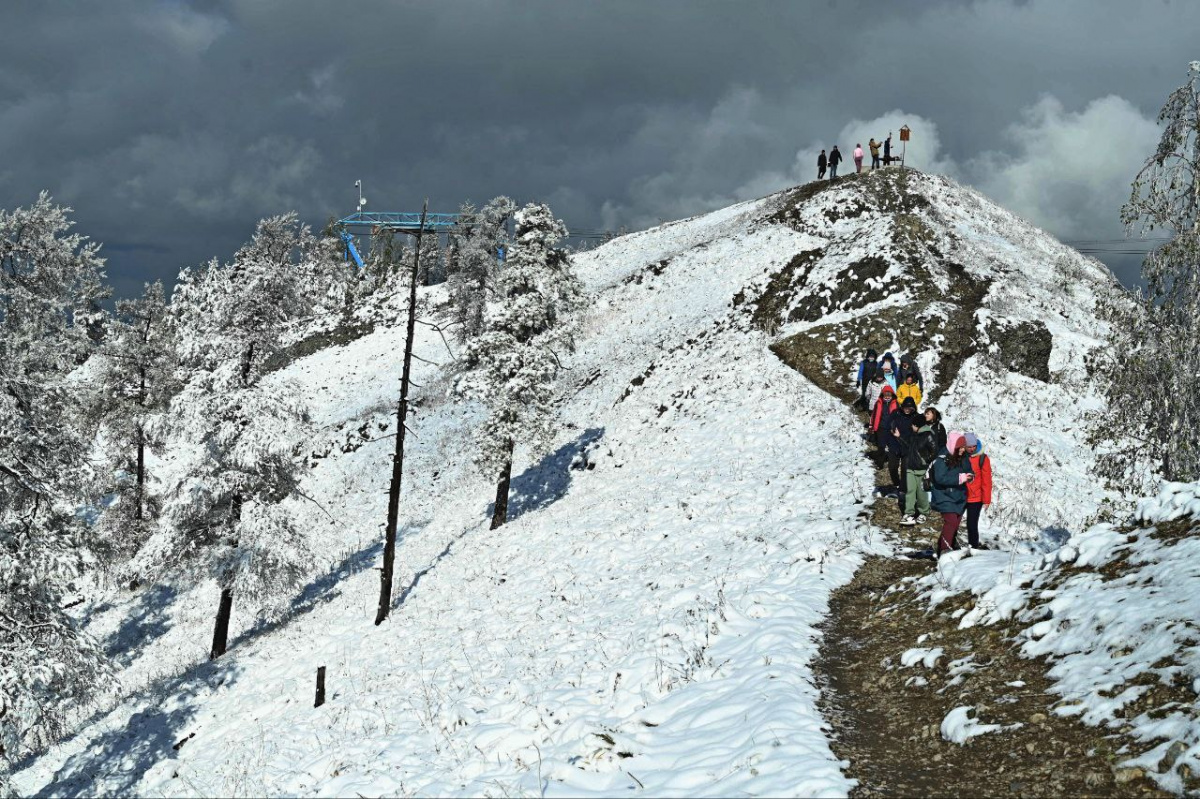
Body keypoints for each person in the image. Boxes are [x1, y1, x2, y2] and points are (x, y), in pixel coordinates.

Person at [931, 431, 974, 556]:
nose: (962, 450)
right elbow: (940, 478)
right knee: (951, 522)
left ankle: (945, 545)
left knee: (955, 523)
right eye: (959, 448)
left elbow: (969, 470)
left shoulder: (964, 457)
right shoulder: (942, 459)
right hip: (943, 495)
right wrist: (960, 478)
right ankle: (945, 550)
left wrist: (971, 476)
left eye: (963, 447)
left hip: (959, 496)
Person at [899, 412, 937, 526]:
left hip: (922, 469)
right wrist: (899, 437)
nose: (911, 426)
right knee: (910, 491)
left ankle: (923, 512)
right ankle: (909, 513)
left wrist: (925, 461)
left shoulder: (928, 435)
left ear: (918, 425)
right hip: (910, 468)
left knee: (921, 493)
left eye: (913, 425)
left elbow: (934, 451)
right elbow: (909, 446)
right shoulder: (914, 434)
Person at [964, 432, 993, 549]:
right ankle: (950, 548)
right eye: (969, 447)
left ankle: (973, 549)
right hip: (960, 495)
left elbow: (987, 481)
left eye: (973, 446)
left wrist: (986, 500)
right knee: (953, 524)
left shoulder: (982, 458)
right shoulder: (960, 455)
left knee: (971, 525)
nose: (971, 449)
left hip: (976, 498)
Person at [889, 396, 920, 500]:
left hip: (908, 446)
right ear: (902, 407)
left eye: (910, 408)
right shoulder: (896, 413)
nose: (907, 410)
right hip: (894, 445)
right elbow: (888, 424)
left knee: (905, 469)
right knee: (892, 467)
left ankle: (902, 489)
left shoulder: (916, 417)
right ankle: (896, 484)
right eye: (906, 407)